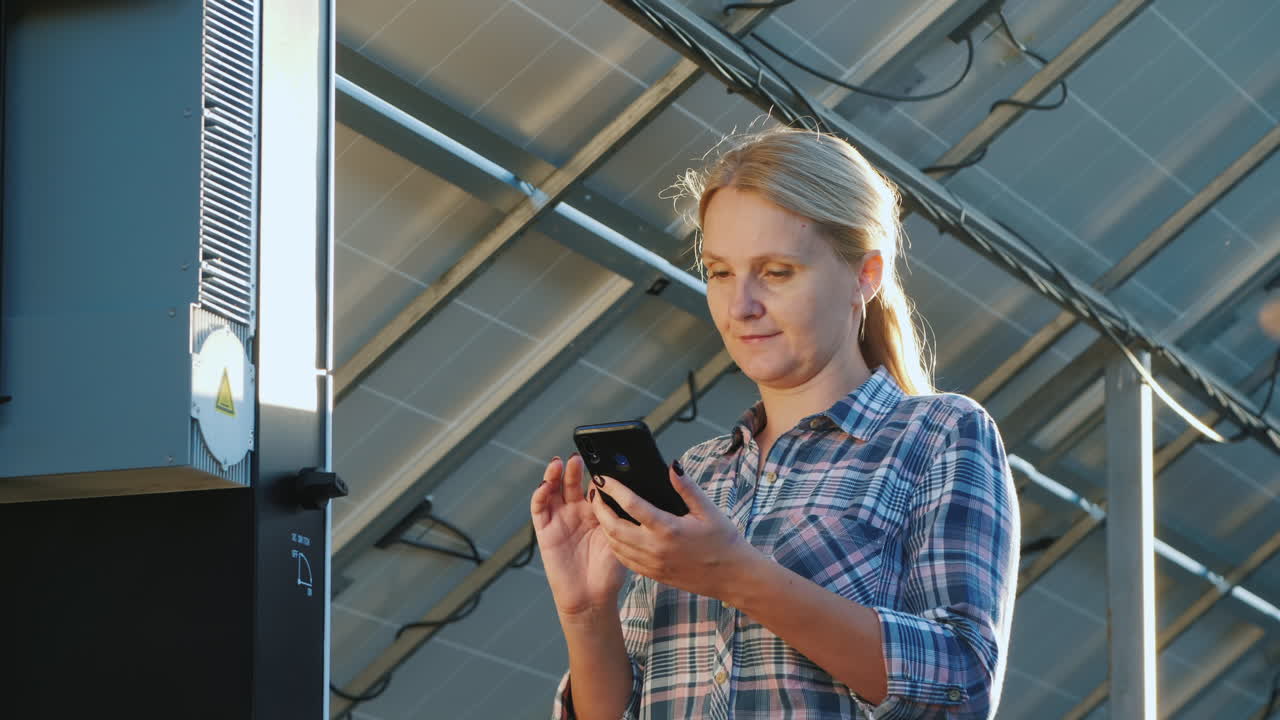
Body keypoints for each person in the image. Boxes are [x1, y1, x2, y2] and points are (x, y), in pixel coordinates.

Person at [530, 126, 1019, 720]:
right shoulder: (695, 476)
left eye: (778, 271)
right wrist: (586, 612)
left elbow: (961, 685)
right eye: (720, 272)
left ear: (866, 275)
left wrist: (738, 576)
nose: (741, 306)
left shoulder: (936, 435)